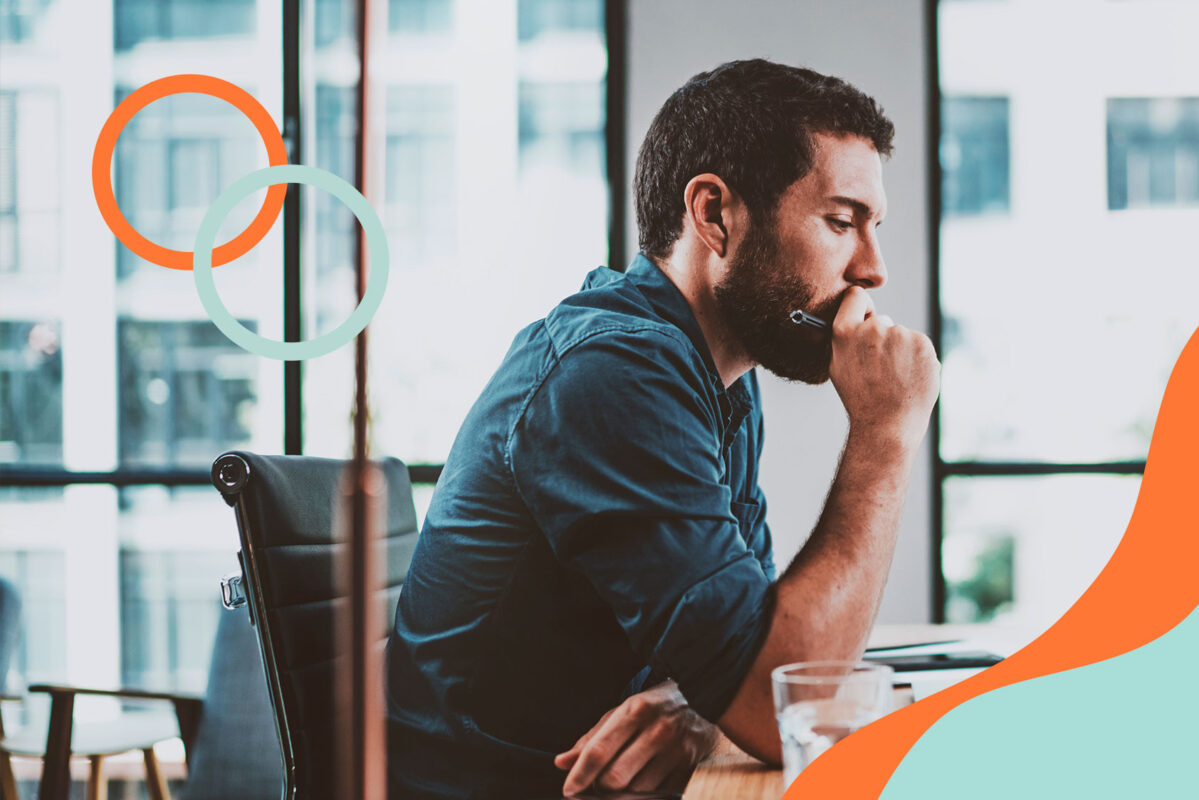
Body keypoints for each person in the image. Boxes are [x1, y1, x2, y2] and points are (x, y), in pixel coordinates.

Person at [385, 58, 940, 799]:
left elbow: (751, 649)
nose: (871, 269)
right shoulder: (613, 374)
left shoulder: (718, 380)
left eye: (872, 228)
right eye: (840, 222)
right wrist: (885, 433)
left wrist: (697, 704)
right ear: (713, 215)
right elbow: (782, 709)